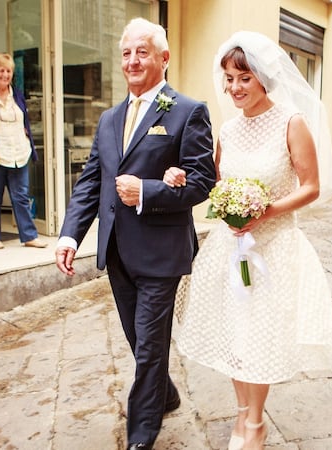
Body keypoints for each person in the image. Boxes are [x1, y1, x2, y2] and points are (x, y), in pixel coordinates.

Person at [170, 31, 332, 450]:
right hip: (229, 247)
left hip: (274, 246)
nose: (234, 88)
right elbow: (210, 183)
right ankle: (242, 410)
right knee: (234, 332)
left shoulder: (291, 122)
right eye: (228, 79)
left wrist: (264, 211)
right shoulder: (227, 132)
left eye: (243, 78)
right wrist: (178, 178)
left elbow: (311, 187)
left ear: (263, 76)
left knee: (260, 335)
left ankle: (254, 422)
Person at [54, 18, 216, 449]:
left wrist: (147, 190)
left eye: (142, 51)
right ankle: (165, 393)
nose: (133, 60)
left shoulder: (188, 111)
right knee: (138, 338)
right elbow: (92, 182)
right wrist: (70, 235)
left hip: (162, 252)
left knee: (148, 345)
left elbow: (203, 182)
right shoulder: (109, 119)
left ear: (163, 58)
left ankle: (141, 434)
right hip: (117, 252)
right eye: (126, 53)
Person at [0, 52, 47, 249]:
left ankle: (29, 236)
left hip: (18, 153)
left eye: (9, 71)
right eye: (2, 70)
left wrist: (27, 139)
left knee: (21, 196)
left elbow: (24, 122)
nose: (5, 75)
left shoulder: (17, 95)